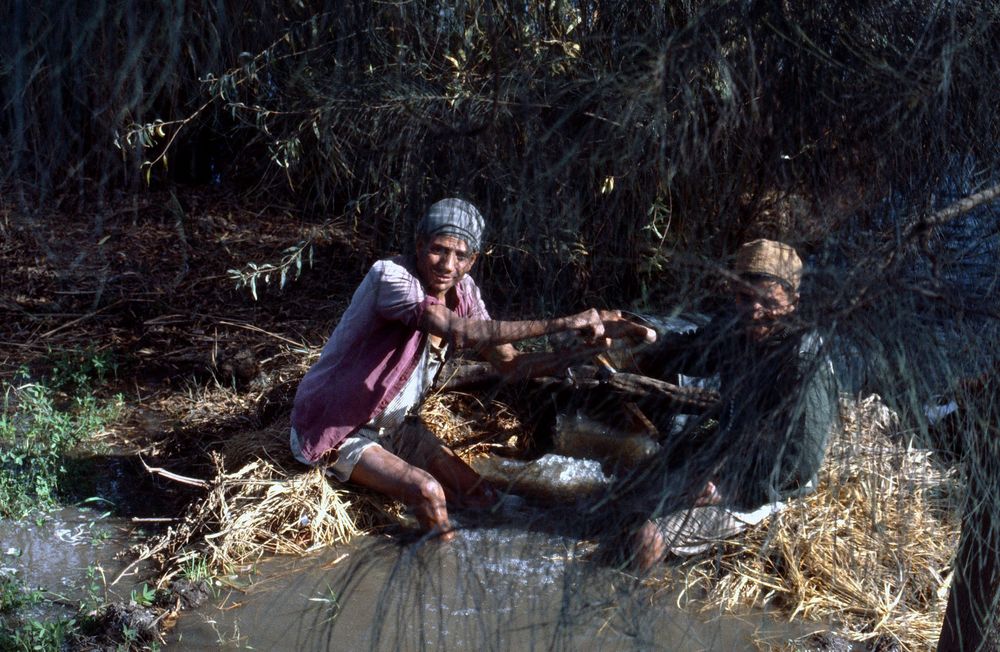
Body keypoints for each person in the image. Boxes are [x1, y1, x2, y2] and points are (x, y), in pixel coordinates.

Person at [290, 198, 652, 541]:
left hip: (394, 426)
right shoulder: (390, 277)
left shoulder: (464, 292)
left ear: (473, 259)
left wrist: (581, 352)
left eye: (460, 256)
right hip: (339, 427)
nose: (447, 265)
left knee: (484, 497)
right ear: (419, 245)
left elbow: (510, 364)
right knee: (429, 494)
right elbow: (457, 329)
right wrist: (567, 322)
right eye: (438, 250)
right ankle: (441, 578)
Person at [627, 239, 838, 570]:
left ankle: (640, 594)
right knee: (645, 477)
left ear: (793, 302)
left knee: (649, 539)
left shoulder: (802, 362)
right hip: (723, 428)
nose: (755, 312)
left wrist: (728, 489)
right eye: (744, 298)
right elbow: (695, 351)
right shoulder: (736, 324)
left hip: (771, 481)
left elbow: (799, 465)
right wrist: (642, 336)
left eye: (769, 302)